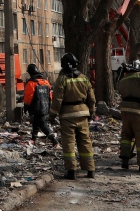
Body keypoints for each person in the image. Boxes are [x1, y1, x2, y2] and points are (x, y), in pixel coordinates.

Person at [50, 52, 96, 180]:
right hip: (83, 114)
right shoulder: (84, 78)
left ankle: (71, 171)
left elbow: (57, 100)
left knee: (69, 143)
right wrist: (92, 111)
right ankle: (90, 169)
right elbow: (91, 98)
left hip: (67, 115)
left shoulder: (61, 79)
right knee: (85, 141)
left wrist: (52, 115)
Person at [23, 63, 59, 147]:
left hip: (36, 108)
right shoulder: (45, 82)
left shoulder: (31, 83)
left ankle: (54, 141)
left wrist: (26, 107)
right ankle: (33, 139)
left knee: (42, 125)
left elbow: (28, 97)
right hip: (45, 108)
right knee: (36, 122)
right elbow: (50, 96)